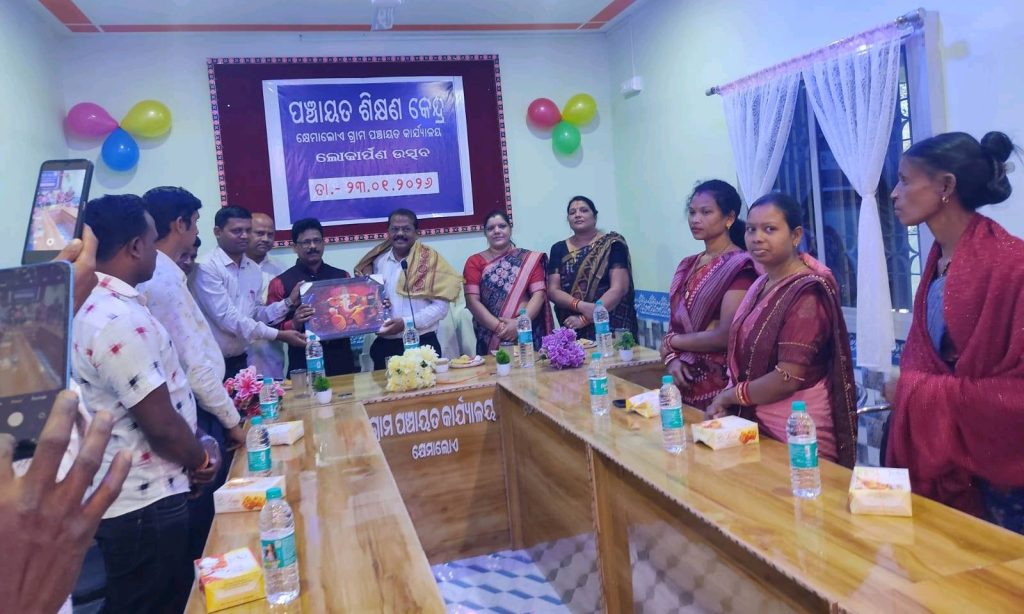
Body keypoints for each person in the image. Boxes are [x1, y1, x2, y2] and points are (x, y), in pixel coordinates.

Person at [73, 194, 220, 613]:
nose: (158, 251)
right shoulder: (117, 319)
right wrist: (200, 458)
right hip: (145, 502)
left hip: (139, 496)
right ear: (136, 247)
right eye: (153, 241)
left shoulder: (94, 305)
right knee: (154, 603)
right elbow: (160, 425)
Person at [885, 131, 1024, 533]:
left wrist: (914, 390)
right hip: (943, 454)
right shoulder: (939, 260)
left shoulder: (1011, 266)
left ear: (946, 186)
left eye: (905, 180)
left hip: (1001, 475)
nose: (894, 193)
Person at [707, 192, 857, 467]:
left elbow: (787, 377)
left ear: (796, 235)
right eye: (751, 229)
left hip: (796, 429)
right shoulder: (762, 283)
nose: (757, 238)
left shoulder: (807, 293)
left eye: (770, 229)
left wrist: (730, 396)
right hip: (758, 418)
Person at [138, 187, 245, 561]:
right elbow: (195, 367)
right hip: (197, 411)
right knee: (204, 522)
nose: (196, 231)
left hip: (196, 407)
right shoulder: (162, 280)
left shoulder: (164, 273)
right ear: (179, 224)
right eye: (196, 222)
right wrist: (232, 422)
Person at [662, 181, 756, 410]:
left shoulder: (741, 266)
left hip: (720, 386)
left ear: (729, 218)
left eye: (706, 212)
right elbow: (676, 323)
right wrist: (672, 359)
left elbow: (725, 335)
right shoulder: (687, 265)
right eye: (692, 212)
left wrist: (670, 343)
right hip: (682, 381)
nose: (695, 219)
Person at [189, 206, 306, 379]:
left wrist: (288, 302)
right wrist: (280, 335)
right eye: (237, 231)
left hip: (240, 361)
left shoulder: (252, 269)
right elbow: (228, 318)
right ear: (217, 232)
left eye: (248, 230)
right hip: (212, 364)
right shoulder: (206, 267)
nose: (244, 236)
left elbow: (255, 314)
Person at [354, 208, 461, 369]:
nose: (400, 233)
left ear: (417, 233)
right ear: (388, 232)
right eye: (395, 229)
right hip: (386, 347)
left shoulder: (430, 262)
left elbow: (441, 308)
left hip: (422, 345)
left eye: (406, 229)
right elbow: (370, 302)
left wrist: (406, 323)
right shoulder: (377, 263)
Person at [267, 218, 356, 376]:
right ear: (295, 247)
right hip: (302, 362)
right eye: (306, 242)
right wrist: (294, 323)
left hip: (342, 360)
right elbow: (270, 328)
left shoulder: (342, 277)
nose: (313, 246)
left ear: (323, 243)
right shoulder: (280, 282)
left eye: (317, 241)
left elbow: (353, 317)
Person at [546, 196, 637, 340]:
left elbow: (619, 288)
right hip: (571, 326)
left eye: (584, 210)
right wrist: (580, 305)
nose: (577, 215)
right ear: (568, 219)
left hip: (610, 323)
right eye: (572, 212)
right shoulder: (558, 248)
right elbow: (553, 290)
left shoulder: (613, 245)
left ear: (594, 217)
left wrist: (585, 319)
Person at [463, 211, 552, 355]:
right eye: (491, 228)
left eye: (502, 226)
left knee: (529, 368)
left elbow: (539, 295)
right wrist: (500, 328)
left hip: (525, 332)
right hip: (491, 335)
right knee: (495, 368)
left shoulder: (529, 260)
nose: (497, 231)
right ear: (485, 233)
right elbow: (472, 302)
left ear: (510, 229)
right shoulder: (474, 262)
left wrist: (518, 324)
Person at [246, 212, 287, 380]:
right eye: (259, 233)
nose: (265, 239)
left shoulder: (281, 270)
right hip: (238, 354)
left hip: (271, 355)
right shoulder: (232, 268)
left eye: (270, 234)